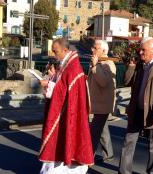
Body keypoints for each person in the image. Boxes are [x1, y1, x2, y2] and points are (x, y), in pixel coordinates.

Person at [118, 37, 153, 174]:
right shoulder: (138, 65)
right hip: (136, 110)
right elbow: (126, 82)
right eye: (140, 49)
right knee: (128, 143)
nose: (140, 52)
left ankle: (152, 171)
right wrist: (130, 67)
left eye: (144, 50)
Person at [39, 38, 94, 174]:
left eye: (55, 51)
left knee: (67, 140)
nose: (53, 54)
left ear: (65, 50)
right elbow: (62, 83)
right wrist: (52, 78)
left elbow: (66, 91)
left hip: (69, 114)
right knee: (59, 143)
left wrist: (49, 85)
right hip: (63, 112)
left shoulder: (73, 67)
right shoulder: (65, 64)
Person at [88, 40, 116, 162]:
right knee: (102, 130)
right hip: (96, 104)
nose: (92, 50)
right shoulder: (98, 63)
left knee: (93, 133)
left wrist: (94, 67)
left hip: (102, 105)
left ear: (104, 51)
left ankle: (88, 157)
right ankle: (108, 154)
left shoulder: (109, 64)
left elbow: (103, 82)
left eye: (95, 48)